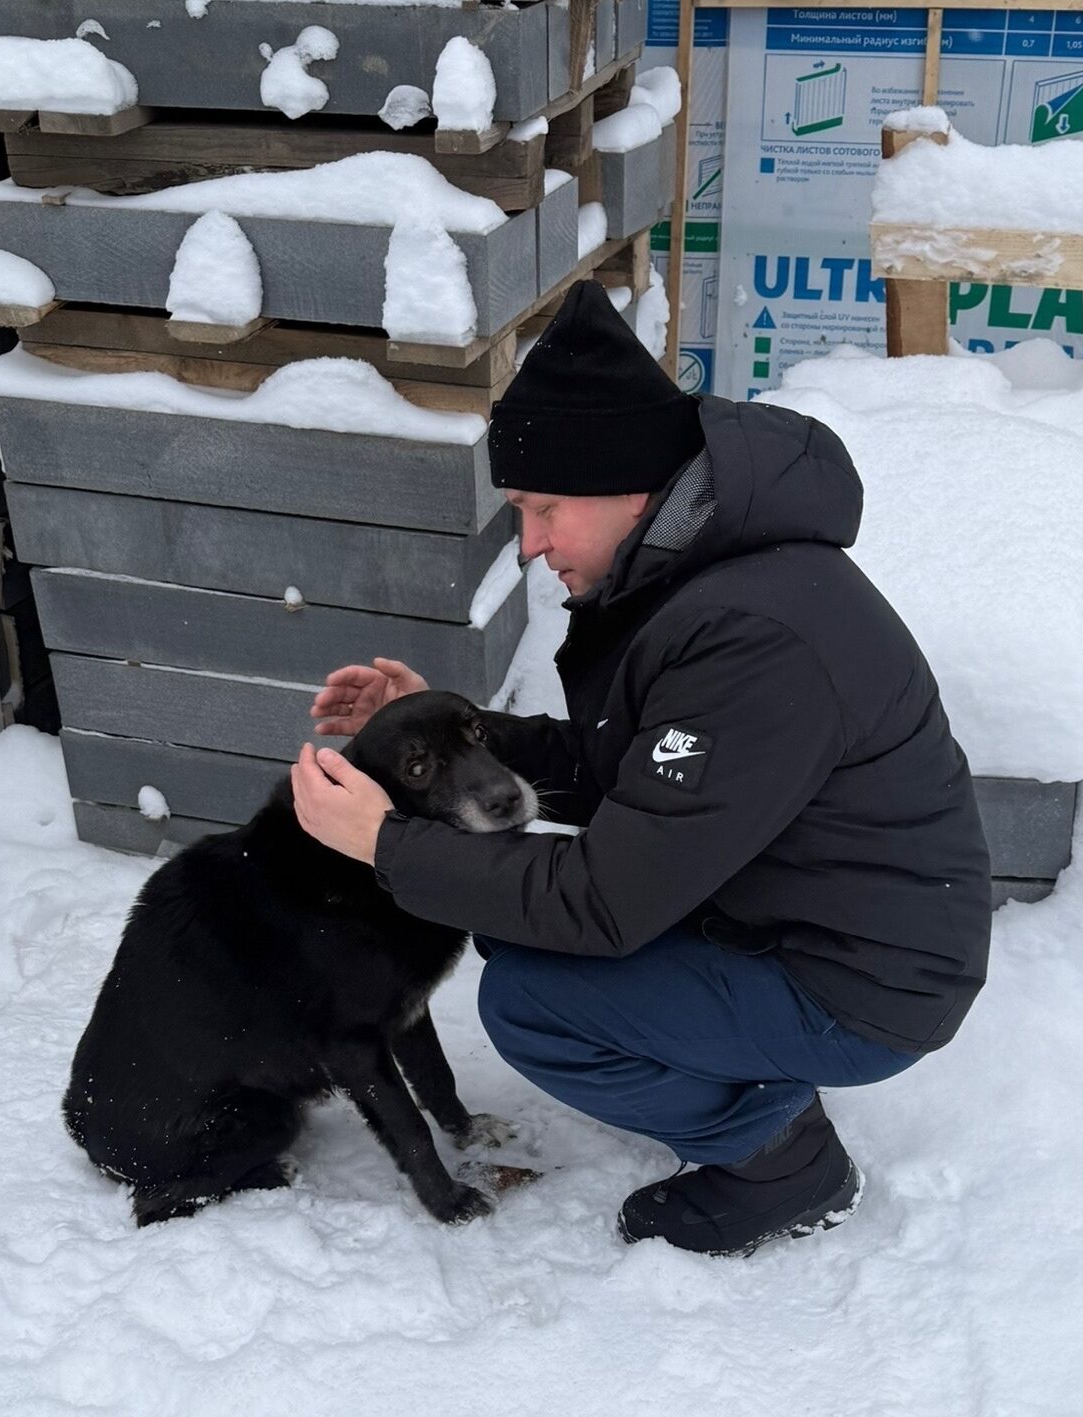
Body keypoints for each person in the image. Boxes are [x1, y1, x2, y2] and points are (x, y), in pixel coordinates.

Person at [292, 280, 991, 1257]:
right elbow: (630, 770)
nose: (530, 544)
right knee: (523, 941)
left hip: (862, 988)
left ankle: (782, 1162)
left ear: (625, 484)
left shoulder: (751, 636)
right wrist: (439, 734)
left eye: (542, 508)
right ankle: (741, 1067)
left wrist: (384, 842)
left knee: (533, 1002)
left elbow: (605, 899)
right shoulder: (709, 579)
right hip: (791, 911)